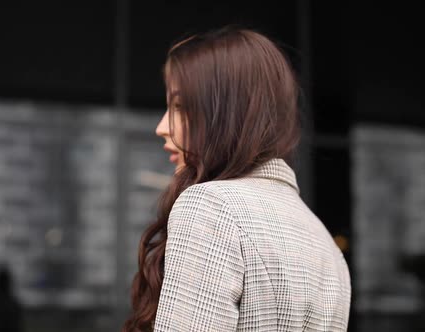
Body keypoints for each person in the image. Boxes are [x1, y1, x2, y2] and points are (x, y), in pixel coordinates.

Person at [123, 27, 351, 331]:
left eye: (179, 106)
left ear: (225, 111)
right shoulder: (324, 242)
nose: (162, 127)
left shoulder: (210, 207)